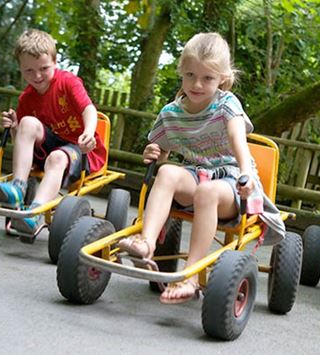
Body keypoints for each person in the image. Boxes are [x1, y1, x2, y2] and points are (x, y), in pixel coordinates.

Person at [116, 32, 284, 304]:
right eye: (191, 75)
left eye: (207, 78)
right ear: (181, 72)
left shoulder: (226, 105)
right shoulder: (171, 113)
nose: (197, 84)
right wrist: (154, 153)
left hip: (232, 183)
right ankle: (145, 243)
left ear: (222, 80)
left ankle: (191, 277)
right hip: (194, 176)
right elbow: (161, 152)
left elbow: (237, 139)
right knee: (168, 172)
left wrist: (246, 173)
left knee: (206, 192)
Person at [0, 29, 106, 234]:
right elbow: (23, 142)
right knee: (26, 122)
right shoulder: (26, 98)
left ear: (55, 61)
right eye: (29, 71)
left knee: (57, 158)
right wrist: (15, 127)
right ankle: (18, 188)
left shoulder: (67, 82)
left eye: (44, 68)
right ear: (20, 68)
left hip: (80, 150)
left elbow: (88, 109)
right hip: (48, 148)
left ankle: (35, 212)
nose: (37, 76)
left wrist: (88, 132)